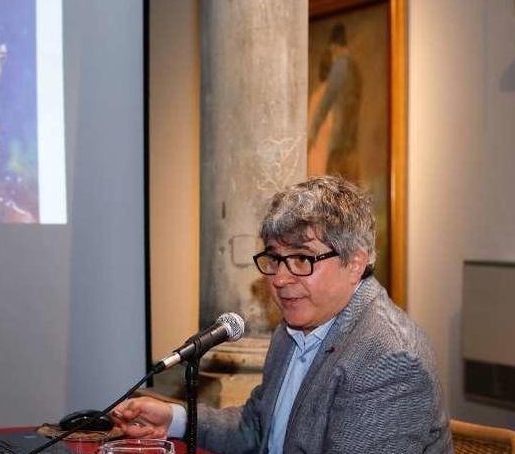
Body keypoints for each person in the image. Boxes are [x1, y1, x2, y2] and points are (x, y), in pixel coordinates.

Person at [112, 176, 452, 453]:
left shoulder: (390, 358)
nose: (279, 278)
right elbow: (257, 429)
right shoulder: (292, 330)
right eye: (275, 258)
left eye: (302, 259)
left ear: (355, 264)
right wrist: (174, 419)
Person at [308, 24, 362, 182]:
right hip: (352, 146)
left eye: (332, 51)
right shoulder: (356, 70)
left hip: (338, 147)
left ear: (335, 47)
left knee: (331, 199)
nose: (332, 56)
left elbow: (326, 102)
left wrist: (312, 134)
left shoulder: (341, 65)